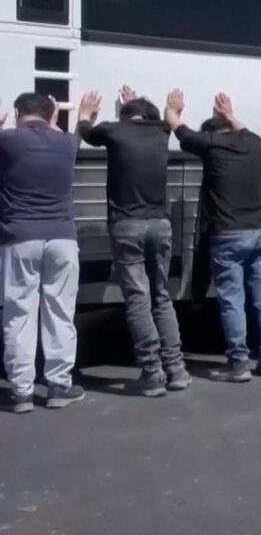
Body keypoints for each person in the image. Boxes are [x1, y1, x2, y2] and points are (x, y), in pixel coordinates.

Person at [79, 86, 191, 397]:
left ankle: (153, 373)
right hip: (160, 224)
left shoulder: (114, 131)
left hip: (127, 225)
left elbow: (87, 132)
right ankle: (177, 369)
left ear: (124, 116)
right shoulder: (161, 132)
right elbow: (158, 120)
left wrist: (85, 114)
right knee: (161, 297)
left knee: (138, 300)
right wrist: (169, 110)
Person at [166, 90, 261, 380]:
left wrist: (172, 111)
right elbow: (243, 129)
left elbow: (180, 130)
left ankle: (239, 364)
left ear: (211, 135)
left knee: (232, 300)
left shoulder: (212, 146)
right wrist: (230, 115)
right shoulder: (255, 144)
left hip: (230, 235)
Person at [1, 94, 84, 412]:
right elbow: (73, 131)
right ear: (51, 116)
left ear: (17, 112)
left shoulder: (8, 141)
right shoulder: (67, 143)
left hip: (20, 237)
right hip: (63, 238)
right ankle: (59, 386)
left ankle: (22, 393)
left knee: (20, 313)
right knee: (60, 312)